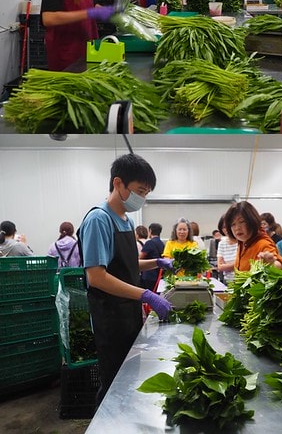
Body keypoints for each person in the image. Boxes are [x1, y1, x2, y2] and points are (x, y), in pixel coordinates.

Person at [77, 154, 173, 402]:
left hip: (128, 313)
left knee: (128, 379)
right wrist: (145, 293)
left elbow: (127, 266)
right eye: (141, 190)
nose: (143, 198)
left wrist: (156, 262)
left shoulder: (126, 220)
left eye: (147, 192)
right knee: (113, 385)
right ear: (118, 183)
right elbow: (97, 276)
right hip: (110, 317)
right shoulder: (99, 219)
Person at [225, 201, 282, 272]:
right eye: (233, 224)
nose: (237, 228)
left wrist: (271, 264)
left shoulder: (263, 243)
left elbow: (279, 265)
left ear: (252, 221)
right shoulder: (243, 242)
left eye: (242, 222)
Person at [139, 222, 164, 290]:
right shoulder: (162, 243)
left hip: (149, 274)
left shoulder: (149, 243)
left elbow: (141, 257)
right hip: (158, 274)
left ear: (150, 231)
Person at [215, 216, 238, 284]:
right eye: (224, 227)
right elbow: (220, 267)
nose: (227, 229)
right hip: (227, 281)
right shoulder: (222, 243)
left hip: (241, 280)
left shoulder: (241, 242)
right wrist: (234, 264)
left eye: (229, 225)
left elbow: (244, 263)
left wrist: (226, 265)